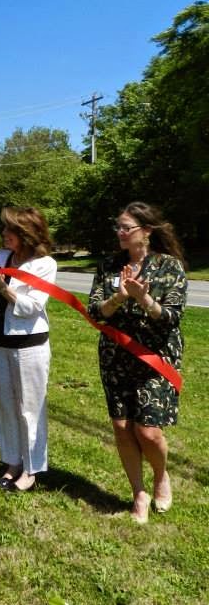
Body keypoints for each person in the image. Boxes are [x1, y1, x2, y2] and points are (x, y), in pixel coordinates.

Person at [88, 202, 187, 524]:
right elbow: (95, 312)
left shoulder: (169, 267)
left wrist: (144, 299)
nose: (120, 232)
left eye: (126, 227)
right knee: (121, 426)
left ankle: (160, 476)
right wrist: (119, 297)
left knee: (148, 431)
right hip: (116, 356)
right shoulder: (109, 266)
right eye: (117, 227)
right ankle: (139, 493)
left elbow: (171, 317)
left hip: (155, 357)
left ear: (146, 231)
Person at [0, 206, 57, 494]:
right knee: (5, 406)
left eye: (10, 229)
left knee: (29, 409)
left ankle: (31, 470)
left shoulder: (44, 264)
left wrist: (3, 289)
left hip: (28, 344)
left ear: (26, 233)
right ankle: (12, 462)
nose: (4, 233)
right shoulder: (1, 257)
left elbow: (32, 306)